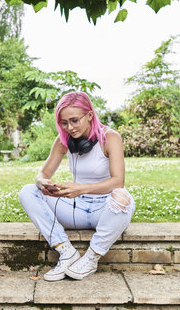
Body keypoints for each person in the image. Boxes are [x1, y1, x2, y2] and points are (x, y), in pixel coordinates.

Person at [19, 91, 135, 281]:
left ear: (89, 115)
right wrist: (43, 183)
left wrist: (80, 188)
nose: (69, 128)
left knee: (122, 197)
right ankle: (66, 252)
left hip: (105, 211)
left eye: (74, 120)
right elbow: (42, 174)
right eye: (64, 123)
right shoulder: (63, 140)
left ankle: (91, 258)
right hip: (76, 209)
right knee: (28, 192)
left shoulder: (111, 138)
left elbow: (117, 181)